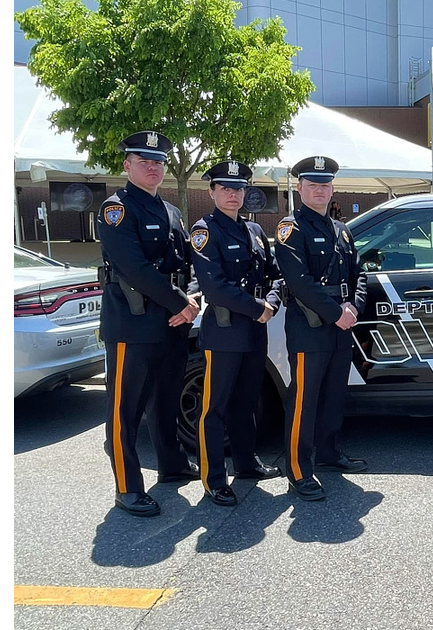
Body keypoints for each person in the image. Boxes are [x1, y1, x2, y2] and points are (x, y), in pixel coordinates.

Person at [96, 130, 202, 518]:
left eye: (158, 162)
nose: (153, 167)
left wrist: (191, 299)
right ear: (127, 166)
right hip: (133, 323)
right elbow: (134, 268)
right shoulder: (117, 209)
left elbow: (188, 264)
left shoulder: (171, 211)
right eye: (144, 161)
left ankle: (172, 465)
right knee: (125, 409)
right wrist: (181, 303)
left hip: (172, 322)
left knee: (166, 399)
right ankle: (127, 487)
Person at [188, 160, 285, 507]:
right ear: (212, 192)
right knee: (215, 408)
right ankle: (214, 479)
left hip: (255, 330)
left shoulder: (254, 230)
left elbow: (274, 275)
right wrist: (259, 308)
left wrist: (271, 301)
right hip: (225, 331)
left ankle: (246, 463)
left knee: (246, 402)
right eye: (226, 188)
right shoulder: (204, 231)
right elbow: (214, 287)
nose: (233, 194)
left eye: (239, 188)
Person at [273, 155, 369, 501]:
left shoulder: (341, 230)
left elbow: (359, 274)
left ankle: (328, 453)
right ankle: (298, 469)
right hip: (310, 327)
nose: (319, 190)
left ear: (332, 189)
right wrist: (335, 313)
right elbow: (299, 282)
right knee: (304, 399)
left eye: (324, 185)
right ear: (300, 188)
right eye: (312, 184)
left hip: (340, 324)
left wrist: (354, 306)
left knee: (333, 395)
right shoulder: (291, 229)